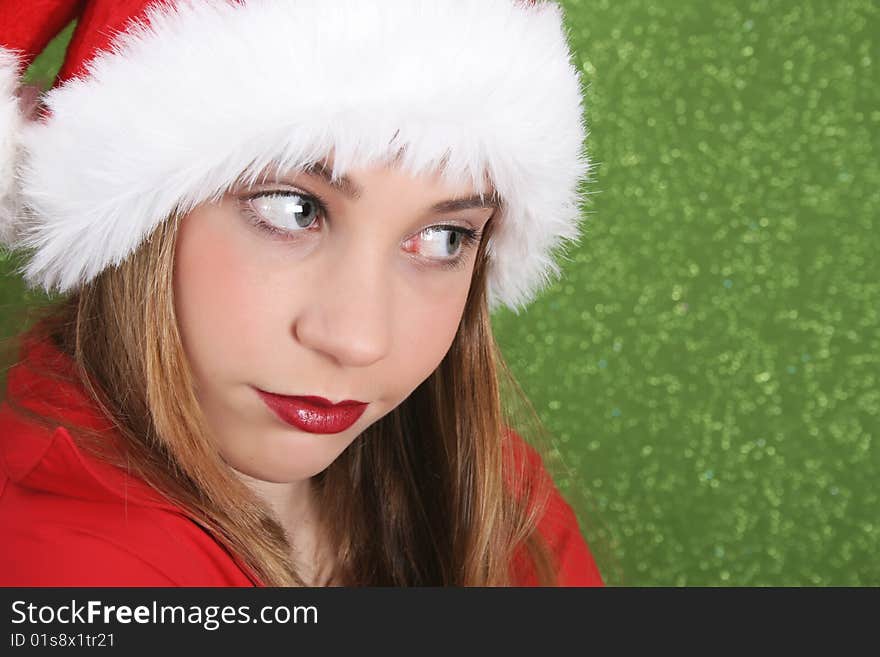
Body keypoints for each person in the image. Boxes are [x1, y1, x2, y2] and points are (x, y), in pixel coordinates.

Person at [0, 0, 603, 586]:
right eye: (293, 210)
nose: (359, 340)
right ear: (135, 217)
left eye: (445, 238)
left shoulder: (499, 504)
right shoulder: (65, 566)